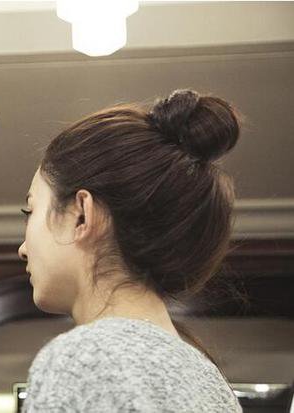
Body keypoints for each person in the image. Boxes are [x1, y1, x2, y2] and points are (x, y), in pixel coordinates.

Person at [18, 89, 242, 412]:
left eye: (31, 210)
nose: (23, 249)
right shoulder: (212, 384)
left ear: (82, 215)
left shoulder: (82, 362)